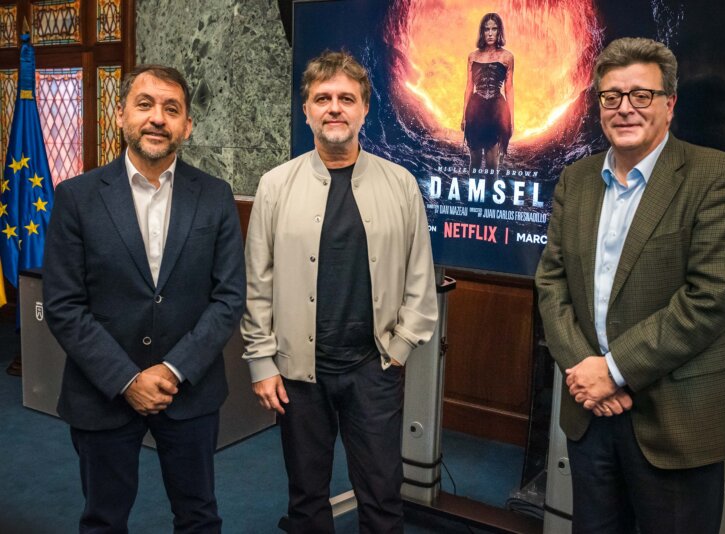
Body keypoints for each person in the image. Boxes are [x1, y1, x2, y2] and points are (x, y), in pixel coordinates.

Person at [535, 37, 725, 534]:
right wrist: (584, 371)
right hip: (589, 413)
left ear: (669, 103)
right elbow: (551, 281)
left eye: (642, 95)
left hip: (676, 419)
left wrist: (613, 371)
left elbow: (710, 299)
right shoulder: (576, 179)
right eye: (611, 96)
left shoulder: (719, 179)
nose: (625, 109)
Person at [241, 50, 438, 533]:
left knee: (381, 494)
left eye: (346, 98)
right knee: (306, 498)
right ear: (306, 110)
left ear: (364, 109)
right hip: (298, 373)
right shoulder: (274, 186)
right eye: (322, 98)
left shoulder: (401, 184)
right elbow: (257, 283)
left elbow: (420, 278)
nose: (335, 108)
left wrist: (400, 348)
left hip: (373, 368)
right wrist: (261, 363)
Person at [43, 64, 246, 533]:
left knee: (199, 516)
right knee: (103, 520)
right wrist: (126, 378)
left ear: (187, 125)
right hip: (103, 393)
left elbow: (229, 297)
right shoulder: (76, 197)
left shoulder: (214, 197)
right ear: (120, 115)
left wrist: (172, 369)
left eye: (172, 109)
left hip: (189, 391)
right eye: (145, 104)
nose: (158, 118)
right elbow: (63, 304)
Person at [461, 12, 514, 175]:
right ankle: (474, 198)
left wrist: (511, 120)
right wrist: (463, 116)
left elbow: (509, 89)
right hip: (476, 109)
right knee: (475, 160)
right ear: (482, 32)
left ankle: (490, 198)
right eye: (486, 29)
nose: (490, 33)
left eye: (494, 29)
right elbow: (469, 86)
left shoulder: (507, 56)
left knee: (492, 162)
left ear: (499, 32)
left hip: (497, 110)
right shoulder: (473, 56)